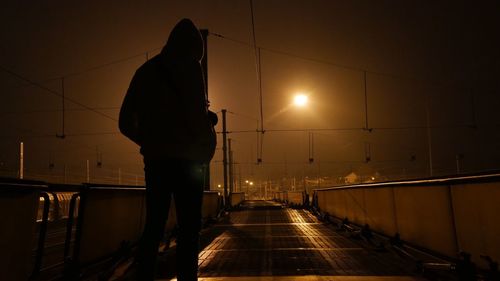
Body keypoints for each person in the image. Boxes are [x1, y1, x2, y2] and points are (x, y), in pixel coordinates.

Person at [119, 18, 217, 281]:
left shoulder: (145, 71)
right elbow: (196, 119)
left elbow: (124, 122)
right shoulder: (192, 70)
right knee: (188, 229)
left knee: (153, 227)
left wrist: (150, 142)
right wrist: (206, 138)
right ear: (195, 49)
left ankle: (145, 276)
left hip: (157, 162)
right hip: (188, 163)